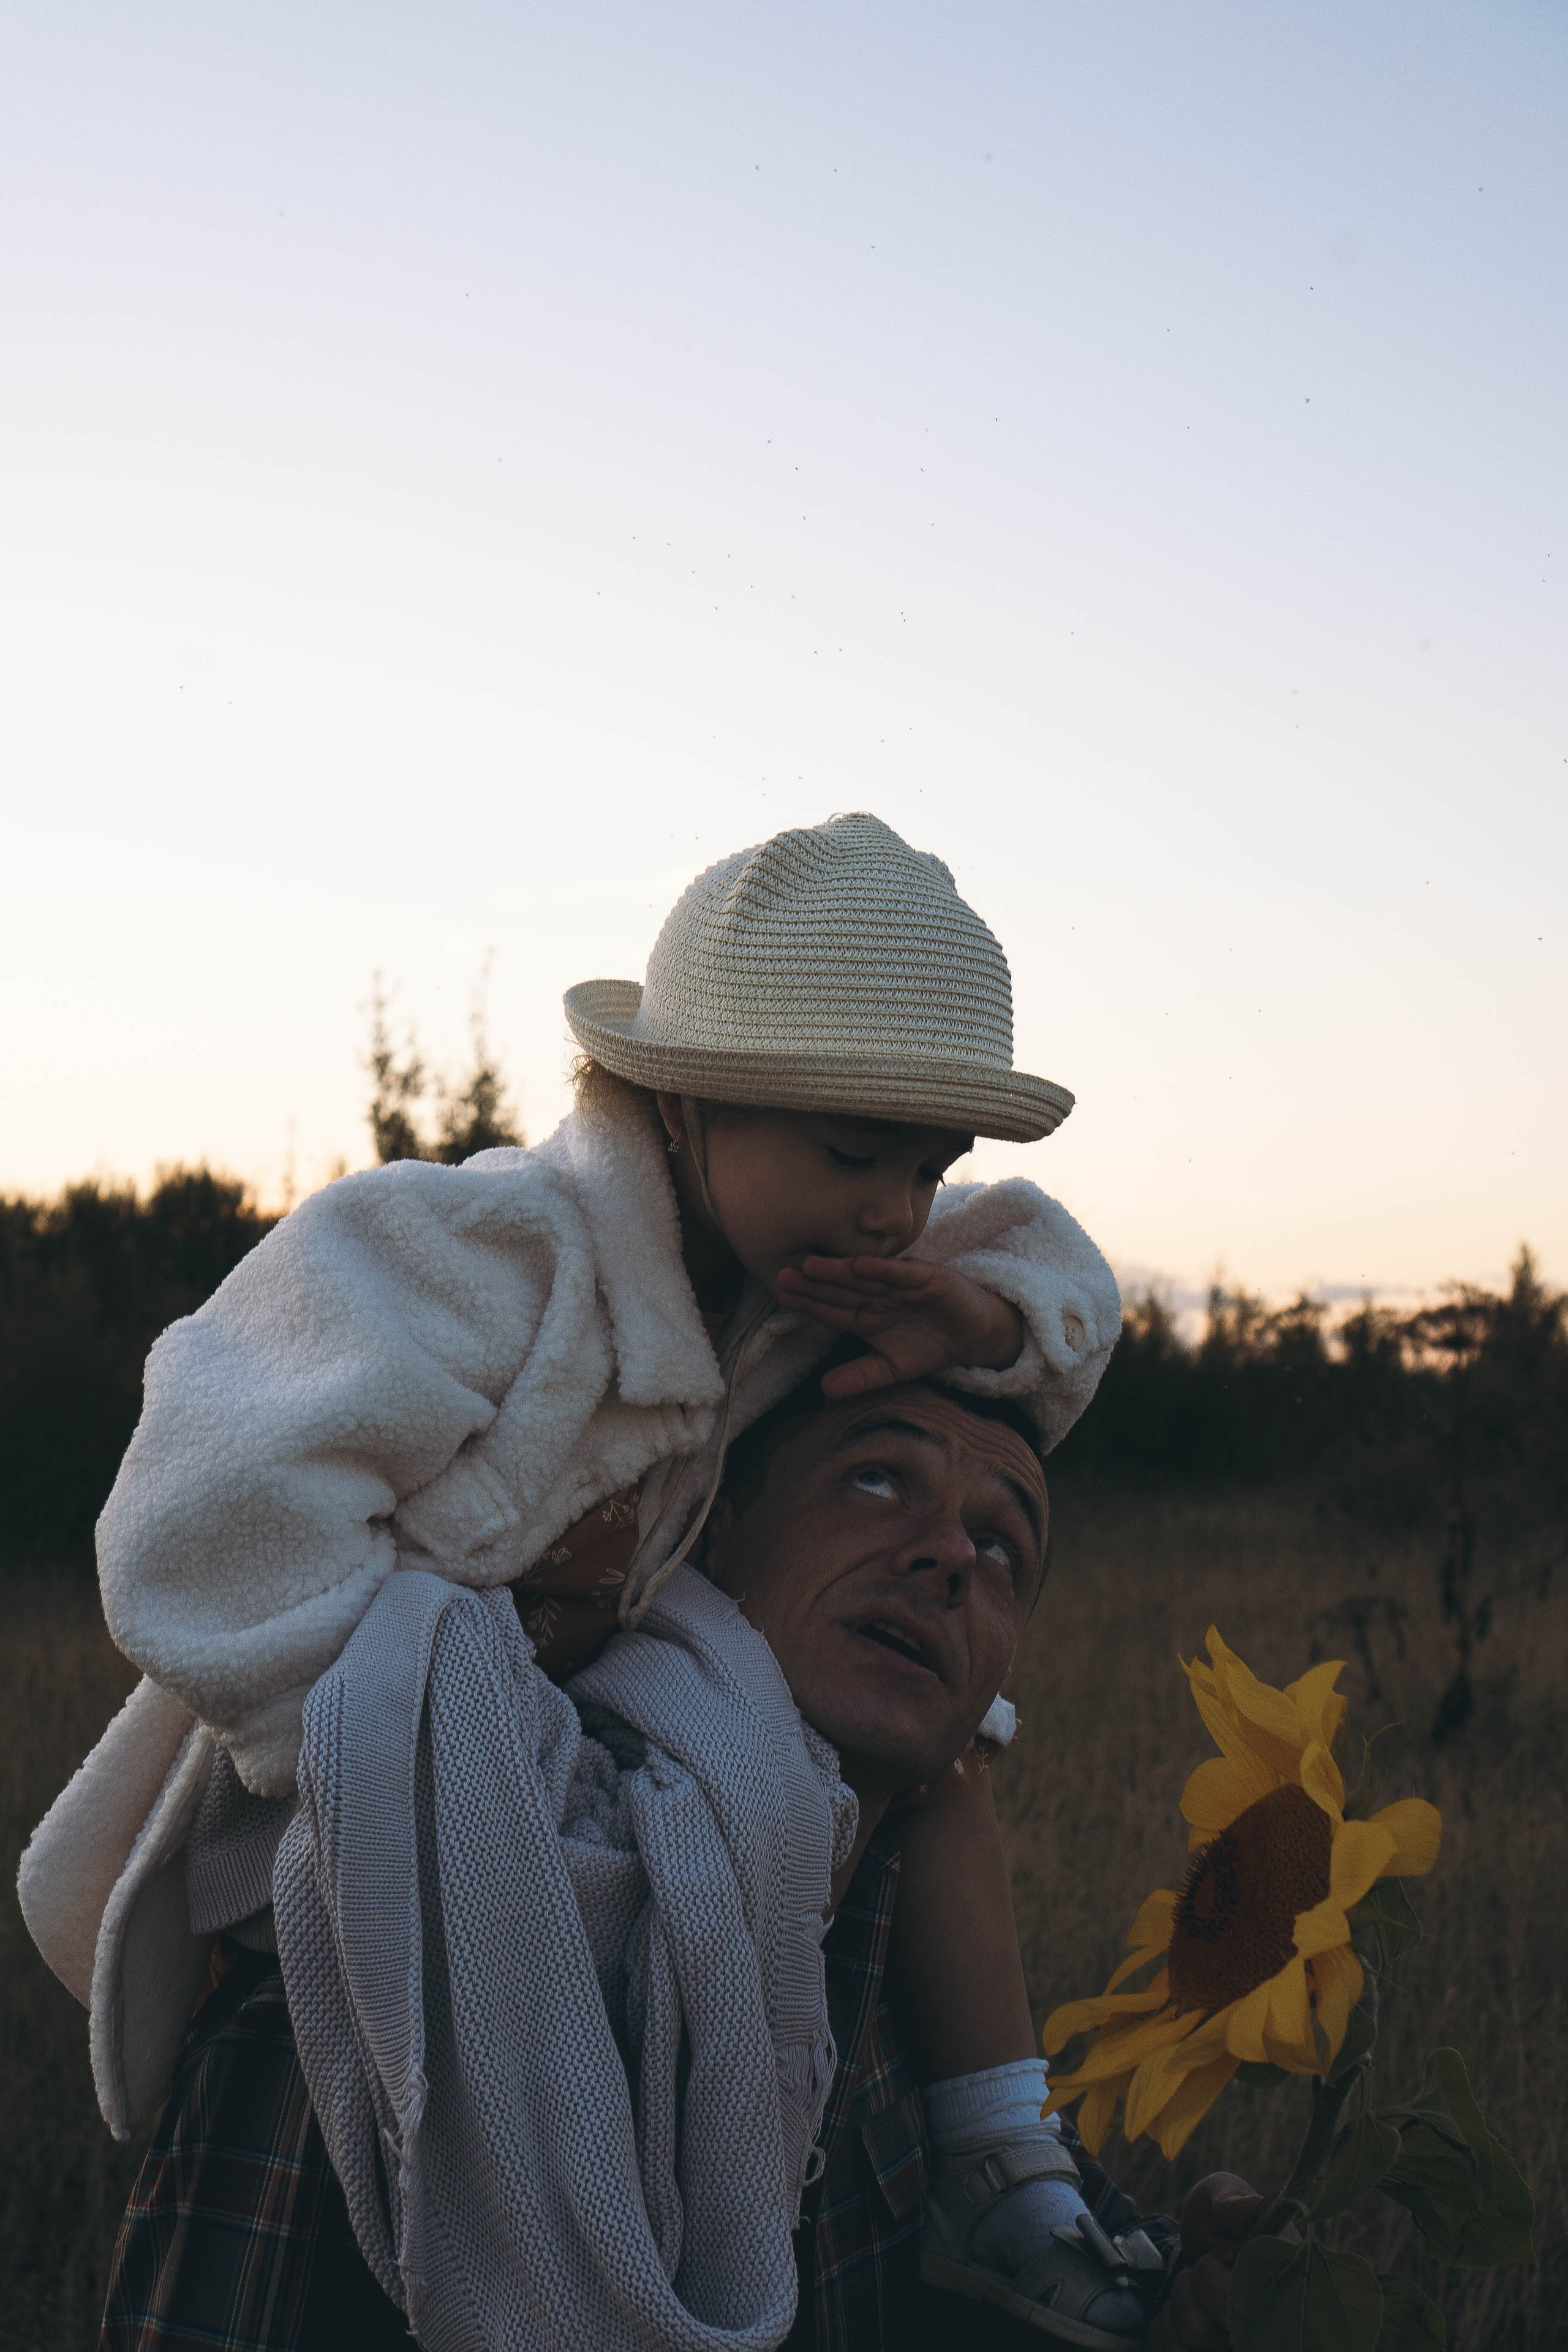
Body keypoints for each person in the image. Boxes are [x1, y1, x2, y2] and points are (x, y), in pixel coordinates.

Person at [21, 810, 1124, 2331]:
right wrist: (384, 1761)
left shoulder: (797, 1290)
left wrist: (974, 1325)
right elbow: (202, 1511)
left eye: (927, 1166)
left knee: (949, 1763)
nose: (895, 1211)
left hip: (582, 1763)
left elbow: (1056, 1277)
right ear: (680, 1104)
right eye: (853, 1151)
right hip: (353, 1792)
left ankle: (1001, 2161)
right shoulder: (483, 1254)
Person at [99, 1368, 1261, 2351]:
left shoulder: (930, 1987)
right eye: (876, 1479)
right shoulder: (400, 1957)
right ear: (711, 1530)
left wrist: (1184, 2304)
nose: (950, 1554)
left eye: (1003, 1547)